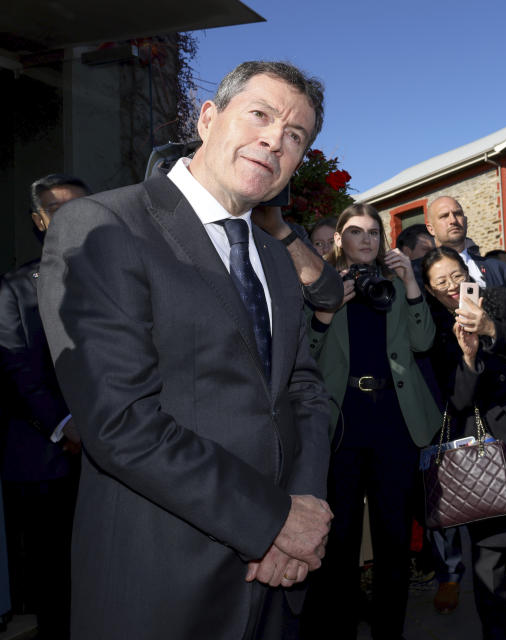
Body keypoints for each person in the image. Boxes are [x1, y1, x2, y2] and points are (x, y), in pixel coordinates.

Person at [37, 61, 335, 640]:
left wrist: (304, 505)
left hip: (276, 580)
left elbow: (304, 393)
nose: (276, 139)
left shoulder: (276, 258)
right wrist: (273, 520)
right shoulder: (101, 225)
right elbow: (120, 420)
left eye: (295, 136)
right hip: (163, 581)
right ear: (208, 118)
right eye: (260, 115)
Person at [301, 203, 440, 639]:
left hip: (393, 422)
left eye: (374, 233)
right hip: (342, 424)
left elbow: (423, 341)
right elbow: (304, 356)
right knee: (340, 540)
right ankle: (339, 629)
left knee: (394, 538)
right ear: (339, 238)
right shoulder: (319, 285)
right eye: (356, 232)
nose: (366, 240)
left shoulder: (396, 285)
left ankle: (388, 632)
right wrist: (325, 313)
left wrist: (411, 281)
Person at [422, 246, 506, 640]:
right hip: (481, 444)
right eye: (440, 283)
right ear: (431, 292)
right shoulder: (434, 327)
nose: (451, 287)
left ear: (466, 272)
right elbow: (457, 399)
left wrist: (489, 330)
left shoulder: (499, 299)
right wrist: (468, 359)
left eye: (454, 276)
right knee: (489, 549)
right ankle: (494, 630)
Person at [0, 173, 88, 639]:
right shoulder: (13, 289)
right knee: (56, 582)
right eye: (60, 210)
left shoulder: (125, 281)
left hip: (114, 456)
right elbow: (18, 371)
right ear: (39, 220)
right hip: (44, 458)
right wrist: (66, 424)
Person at [424, 196, 506, 288]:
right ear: (431, 229)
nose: (453, 220)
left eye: (458, 214)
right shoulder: (419, 272)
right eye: (444, 216)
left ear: (465, 221)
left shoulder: (497, 268)